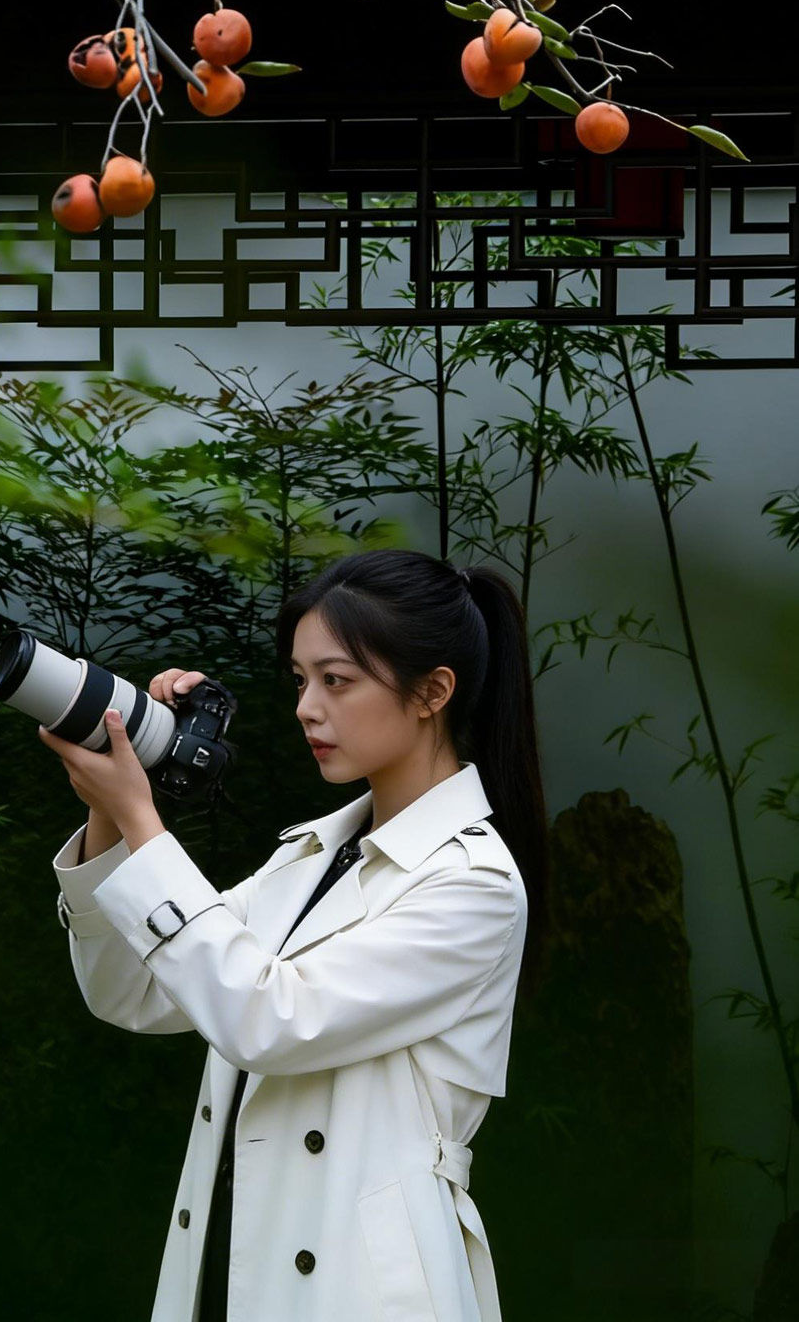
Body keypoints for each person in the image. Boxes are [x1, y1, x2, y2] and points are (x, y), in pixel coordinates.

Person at [38, 547, 550, 1322]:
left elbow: (271, 1019)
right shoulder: (311, 855)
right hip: (232, 1262)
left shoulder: (471, 884)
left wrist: (146, 824)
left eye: (336, 681)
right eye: (300, 681)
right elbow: (131, 992)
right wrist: (113, 801)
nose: (308, 708)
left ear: (430, 692)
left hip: (364, 1290)